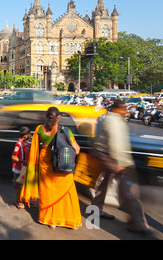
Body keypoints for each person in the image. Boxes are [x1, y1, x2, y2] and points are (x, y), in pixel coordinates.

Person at [90, 99, 151, 235]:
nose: (126, 111)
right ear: (117, 109)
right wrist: (122, 164)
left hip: (103, 153)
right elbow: (116, 143)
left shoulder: (103, 117)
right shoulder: (114, 121)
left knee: (103, 183)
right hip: (114, 158)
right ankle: (137, 223)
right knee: (129, 190)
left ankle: (95, 209)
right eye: (124, 109)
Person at [20, 106, 82, 229]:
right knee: (66, 191)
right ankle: (68, 220)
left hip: (45, 162)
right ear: (58, 117)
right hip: (61, 163)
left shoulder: (39, 129)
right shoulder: (65, 131)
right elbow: (77, 150)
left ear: (46, 116)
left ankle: (50, 221)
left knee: (47, 190)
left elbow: (34, 149)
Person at [12, 126, 31, 209]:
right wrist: (23, 161)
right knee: (18, 185)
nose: (30, 135)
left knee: (25, 184)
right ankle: (18, 200)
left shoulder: (27, 143)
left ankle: (24, 199)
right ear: (25, 135)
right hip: (19, 168)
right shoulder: (18, 144)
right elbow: (13, 157)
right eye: (29, 134)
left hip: (25, 168)